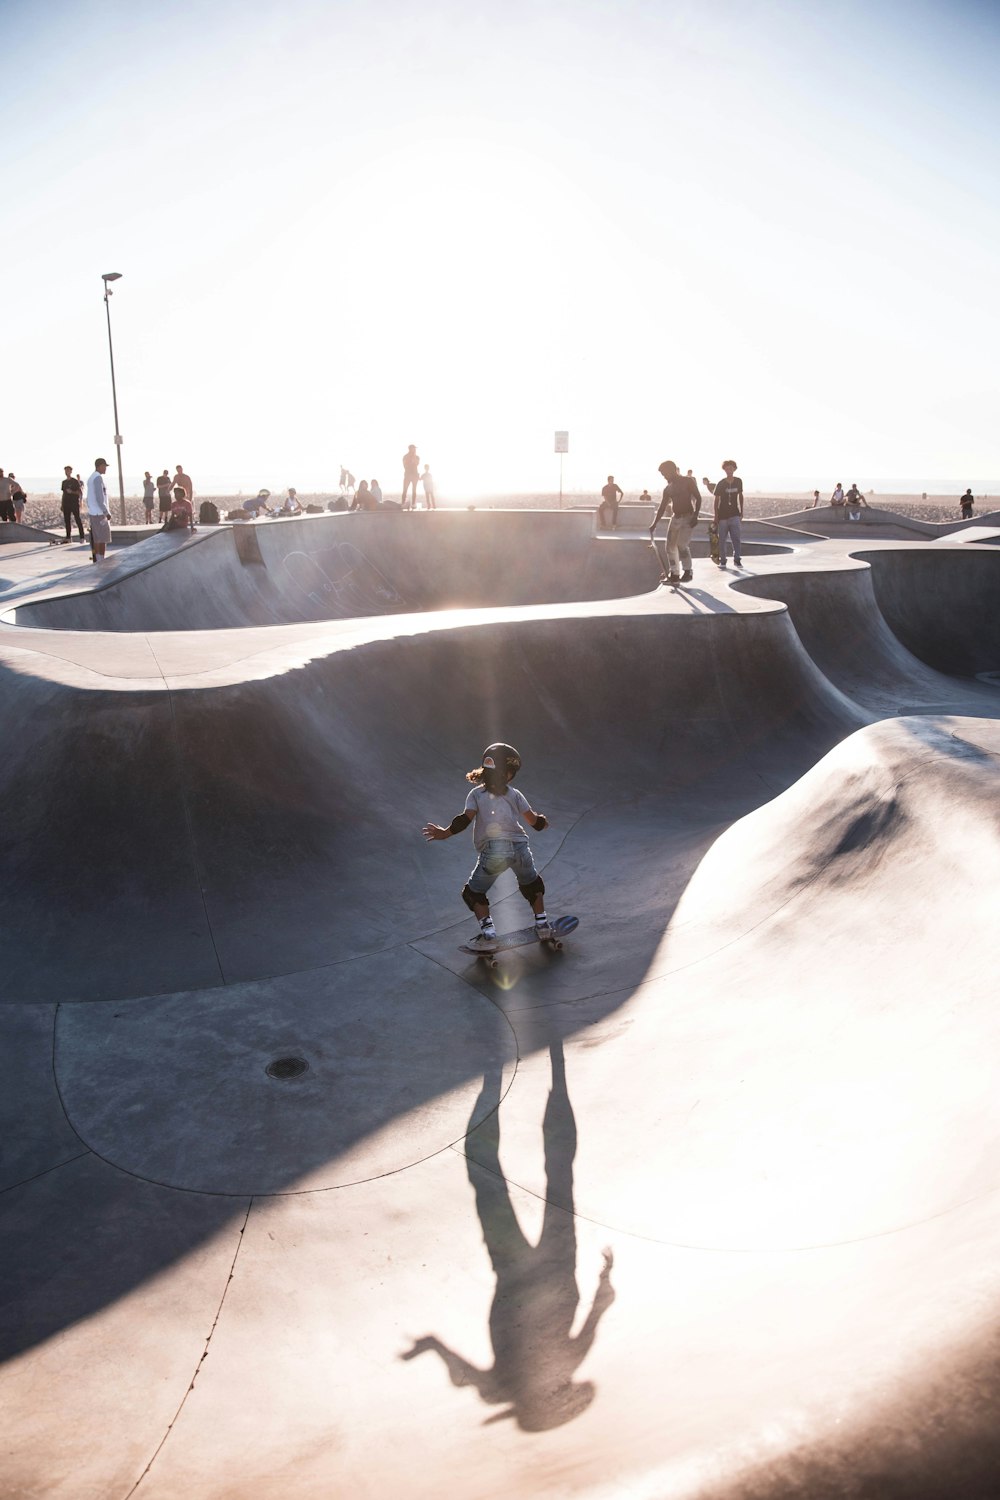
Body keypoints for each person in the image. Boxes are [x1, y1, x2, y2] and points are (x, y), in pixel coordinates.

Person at [422, 743, 553, 953]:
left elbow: (464, 820)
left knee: (473, 893)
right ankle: (543, 925)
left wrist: (444, 833)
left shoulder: (476, 794)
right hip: (521, 848)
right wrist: (543, 822)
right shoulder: (515, 794)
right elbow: (534, 822)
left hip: (495, 851)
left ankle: (489, 934)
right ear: (508, 774)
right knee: (532, 884)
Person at [649, 461, 701, 584]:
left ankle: (688, 571)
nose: (664, 476)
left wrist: (695, 515)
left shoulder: (688, 481)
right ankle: (675, 574)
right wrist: (654, 523)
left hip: (688, 518)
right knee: (670, 546)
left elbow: (698, 498)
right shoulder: (668, 489)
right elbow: (662, 507)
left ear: (672, 470)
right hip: (675, 518)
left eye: (665, 473)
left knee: (681, 545)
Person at [712, 460, 744, 569]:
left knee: (736, 538)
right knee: (722, 540)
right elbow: (716, 500)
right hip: (723, 516)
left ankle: (737, 559)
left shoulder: (738, 481)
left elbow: (740, 496)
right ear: (724, 470)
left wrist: (741, 512)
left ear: (734, 469)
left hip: (735, 514)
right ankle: (723, 561)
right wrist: (716, 516)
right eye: (727, 469)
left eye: (731, 468)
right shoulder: (721, 483)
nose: (729, 471)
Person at [86, 457, 113, 561]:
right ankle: (101, 560)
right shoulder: (98, 478)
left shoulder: (91, 478)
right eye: (104, 466)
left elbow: (89, 497)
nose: (105, 468)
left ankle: (98, 559)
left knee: (97, 538)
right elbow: (99, 497)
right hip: (99, 513)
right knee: (102, 538)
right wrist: (106, 512)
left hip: (93, 512)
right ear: (99, 466)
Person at [60, 465, 85, 542]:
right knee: (67, 520)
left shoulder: (74, 481)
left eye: (68, 470)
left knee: (77, 519)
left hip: (74, 503)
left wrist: (72, 492)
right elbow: (63, 493)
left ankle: (82, 537)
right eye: (66, 471)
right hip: (66, 503)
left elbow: (79, 492)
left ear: (71, 471)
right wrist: (62, 504)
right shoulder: (64, 482)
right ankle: (68, 537)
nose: (67, 472)